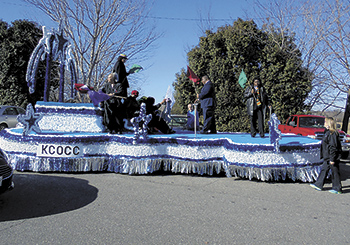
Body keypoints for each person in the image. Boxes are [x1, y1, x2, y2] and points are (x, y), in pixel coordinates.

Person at [310, 117, 342, 194]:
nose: (324, 123)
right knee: (324, 170)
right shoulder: (327, 132)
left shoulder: (332, 134)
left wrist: (332, 159)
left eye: (325, 122)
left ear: (329, 124)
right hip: (327, 157)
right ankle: (318, 185)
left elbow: (333, 147)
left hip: (331, 157)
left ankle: (337, 188)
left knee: (335, 172)